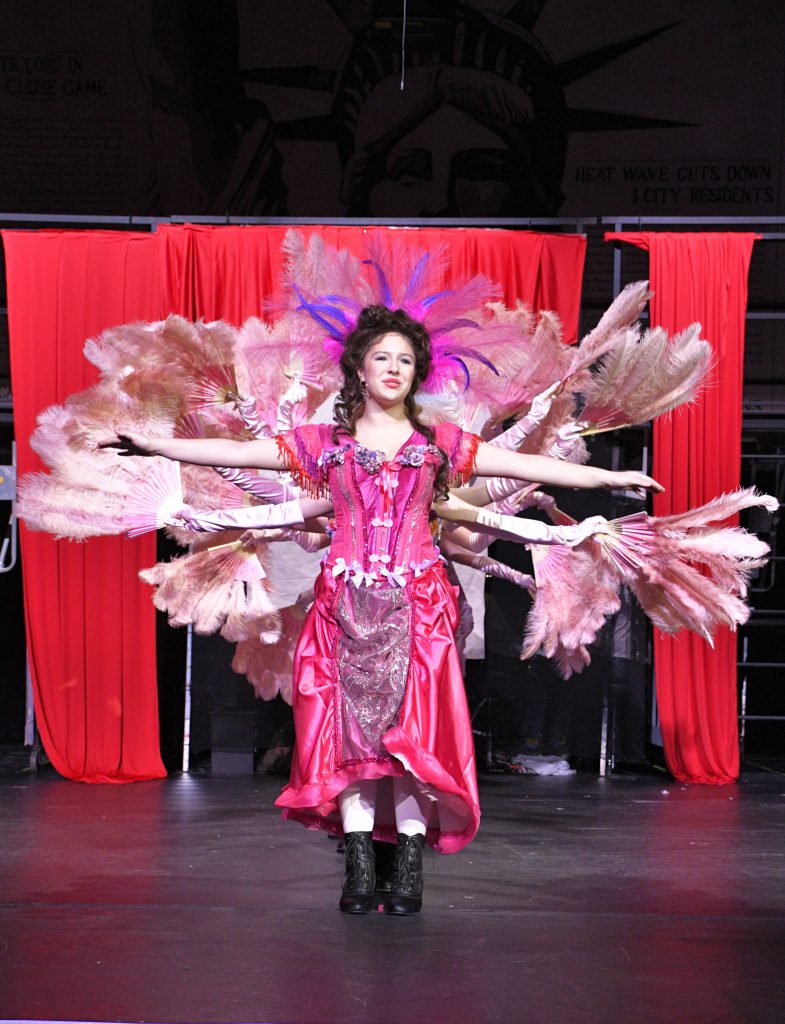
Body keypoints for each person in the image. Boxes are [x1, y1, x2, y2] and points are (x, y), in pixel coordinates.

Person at [104, 304, 661, 915]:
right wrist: (152, 444)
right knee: (347, 737)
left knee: (417, 735)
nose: (394, 368)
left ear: (416, 371)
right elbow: (238, 455)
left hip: (418, 607)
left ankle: (411, 868)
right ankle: (361, 866)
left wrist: (607, 481)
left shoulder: (439, 443)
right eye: (382, 358)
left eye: (405, 359)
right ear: (360, 371)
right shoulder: (322, 445)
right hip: (343, 608)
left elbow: (521, 464)